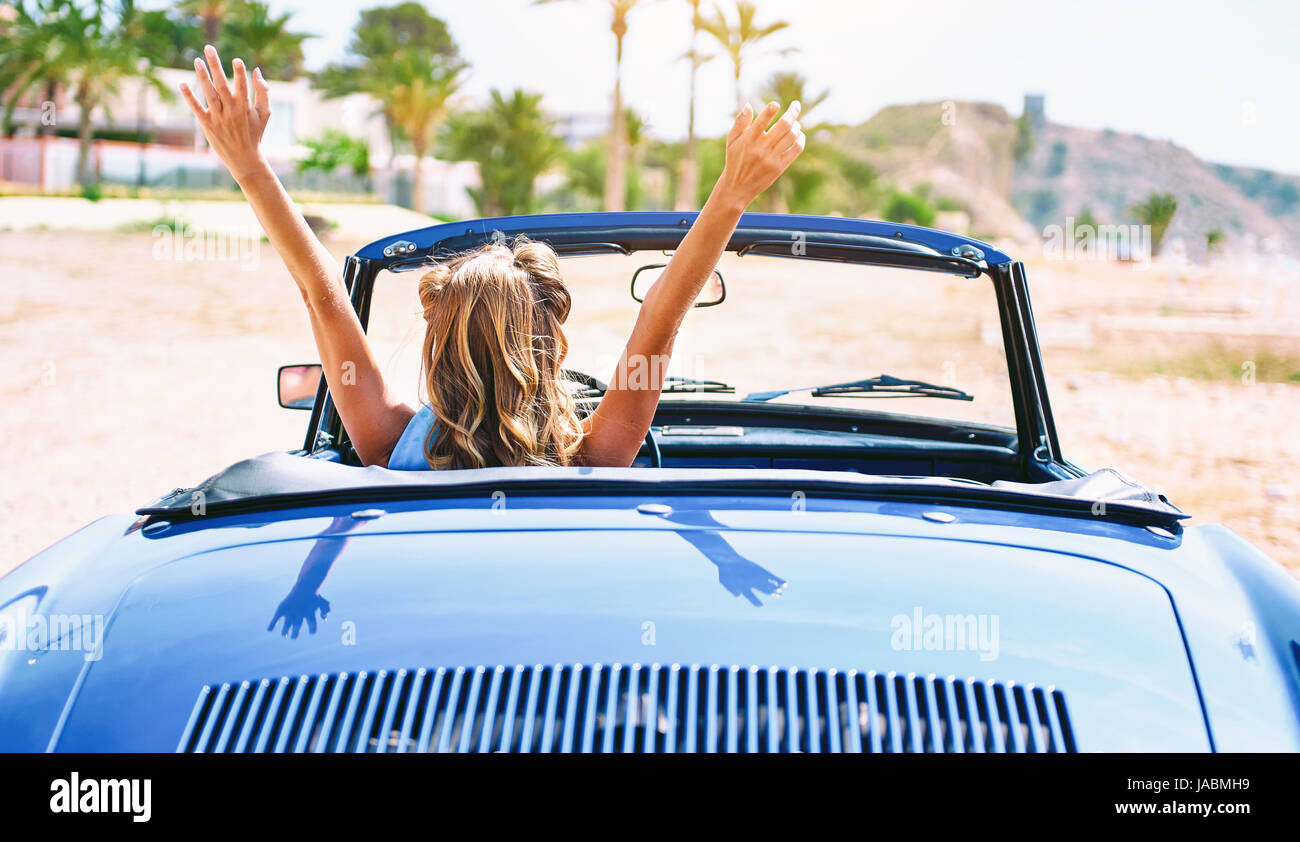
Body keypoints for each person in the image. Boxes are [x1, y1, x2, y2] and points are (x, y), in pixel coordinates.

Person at [179, 46, 805, 470]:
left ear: (436, 343)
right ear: (549, 346)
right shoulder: (592, 457)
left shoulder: (389, 444)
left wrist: (250, 166)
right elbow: (661, 320)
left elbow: (322, 294)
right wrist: (733, 191)